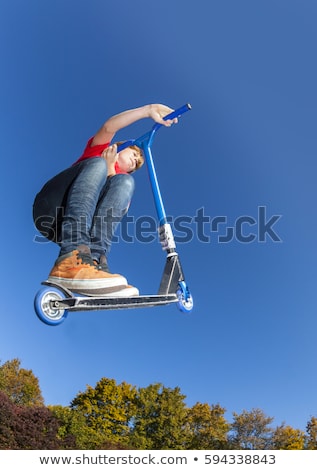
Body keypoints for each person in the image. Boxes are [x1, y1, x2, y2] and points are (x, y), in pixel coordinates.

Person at [33, 104, 177, 297]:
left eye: (136, 163)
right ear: (118, 148)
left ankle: (91, 263)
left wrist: (112, 172)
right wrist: (148, 110)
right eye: (134, 154)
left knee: (125, 182)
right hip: (51, 207)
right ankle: (71, 258)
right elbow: (110, 127)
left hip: (64, 231)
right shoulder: (99, 152)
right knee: (98, 164)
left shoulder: (121, 180)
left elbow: (115, 209)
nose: (135, 160)